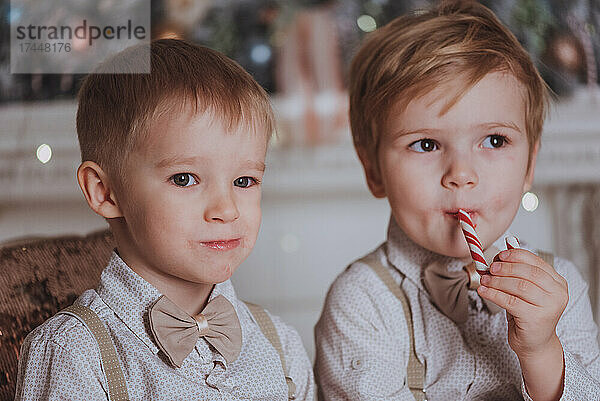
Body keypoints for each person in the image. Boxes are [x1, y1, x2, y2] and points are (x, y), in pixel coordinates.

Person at [314, 2, 600, 400]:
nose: (461, 173)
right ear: (374, 170)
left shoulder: (560, 286)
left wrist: (542, 351)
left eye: (494, 140)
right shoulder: (363, 301)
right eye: (426, 144)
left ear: (529, 165)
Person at [15, 39, 314, 400]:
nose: (227, 209)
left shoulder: (279, 343)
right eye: (185, 179)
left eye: (244, 181)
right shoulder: (74, 354)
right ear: (105, 191)